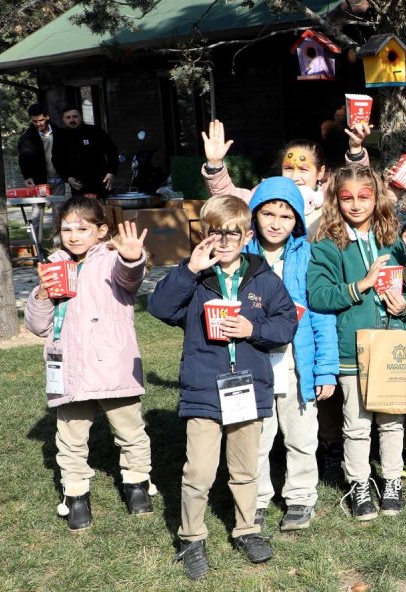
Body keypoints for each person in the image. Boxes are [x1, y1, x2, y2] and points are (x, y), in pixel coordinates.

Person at [147, 195, 298, 580]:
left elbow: (286, 324)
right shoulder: (196, 277)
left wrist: (252, 329)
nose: (225, 240)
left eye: (233, 233)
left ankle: (247, 529)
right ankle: (191, 537)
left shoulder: (263, 278)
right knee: (198, 471)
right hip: (204, 387)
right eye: (216, 232)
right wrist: (189, 270)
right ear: (204, 233)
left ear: (247, 236)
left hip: (247, 388)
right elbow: (159, 308)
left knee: (245, 468)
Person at [24, 198, 154, 532]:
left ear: (101, 230)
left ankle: (137, 484)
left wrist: (132, 258)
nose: (73, 235)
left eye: (82, 229)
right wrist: (42, 294)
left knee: (129, 430)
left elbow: (130, 277)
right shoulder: (54, 265)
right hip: (70, 367)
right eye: (66, 229)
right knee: (70, 437)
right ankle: (76, 494)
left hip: (113, 364)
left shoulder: (112, 259)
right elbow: (38, 326)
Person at [307, 163, 406, 521]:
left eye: (364, 197)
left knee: (391, 421)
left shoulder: (392, 237)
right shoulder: (328, 243)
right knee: (356, 425)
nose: (356, 205)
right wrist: (359, 286)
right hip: (351, 349)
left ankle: (392, 481)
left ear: (376, 198)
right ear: (336, 200)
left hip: (391, 345)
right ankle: (359, 484)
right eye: (347, 198)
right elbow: (318, 295)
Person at [244, 177, 340, 532]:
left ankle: (300, 497)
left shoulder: (307, 256)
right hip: (253, 361)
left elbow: (321, 315)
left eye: (285, 217)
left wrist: (325, 370)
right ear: (255, 215)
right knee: (255, 437)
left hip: (296, 363)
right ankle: (255, 498)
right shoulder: (241, 256)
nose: (275, 223)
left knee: (301, 436)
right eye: (268, 214)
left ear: (297, 220)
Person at [201, 119, 362, 233]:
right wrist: (215, 164)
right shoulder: (267, 192)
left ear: (320, 172)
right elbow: (230, 201)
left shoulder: (331, 195)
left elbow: (359, 182)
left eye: (303, 169)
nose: (295, 176)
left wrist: (355, 149)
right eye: (288, 168)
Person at [55, 105, 118, 197]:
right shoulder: (60, 136)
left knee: (103, 204)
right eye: (68, 117)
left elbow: (112, 152)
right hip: (78, 182)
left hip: (100, 179)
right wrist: (68, 178)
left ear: (81, 117)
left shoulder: (95, 131)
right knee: (80, 205)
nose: (72, 120)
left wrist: (111, 172)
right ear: (63, 119)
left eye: (75, 116)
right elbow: (57, 160)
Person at [17, 103, 64, 192]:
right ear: (31, 120)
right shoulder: (26, 138)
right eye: (35, 121)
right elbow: (23, 160)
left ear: (47, 117)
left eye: (41, 120)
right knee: (39, 202)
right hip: (38, 181)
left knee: (61, 202)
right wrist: (27, 177)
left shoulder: (60, 133)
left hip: (60, 179)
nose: (38, 124)